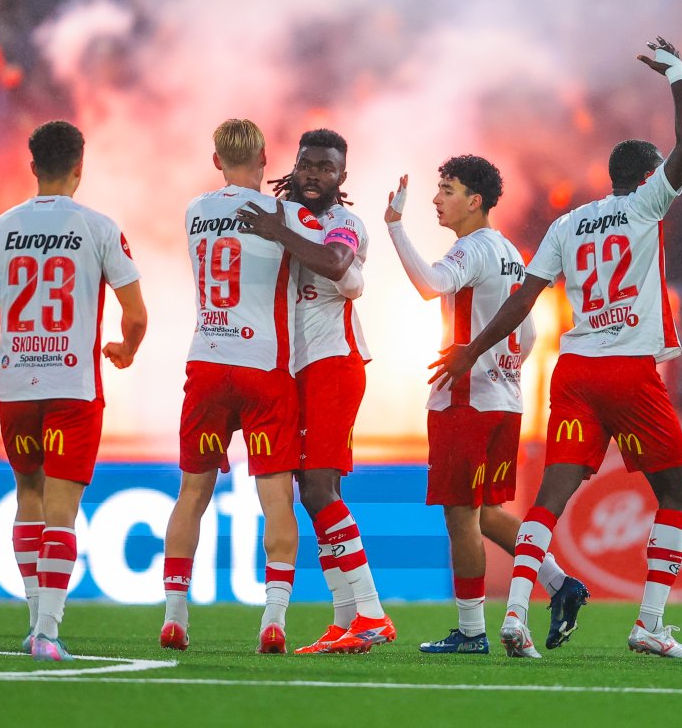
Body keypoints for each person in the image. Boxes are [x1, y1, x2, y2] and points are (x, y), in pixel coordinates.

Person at [430, 37, 682, 659]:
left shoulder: (566, 223)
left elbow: (524, 299)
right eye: (659, 171)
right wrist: (678, 76)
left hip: (574, 370)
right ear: (645, 176)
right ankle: (649, 624)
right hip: (628, 372)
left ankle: (517, 615)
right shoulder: (647, 203)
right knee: (676, 496)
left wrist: (472, 349)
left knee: (547, 501)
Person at [0, 120, 147, 662]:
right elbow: (135, 314)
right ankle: (47, 631)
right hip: (73, 385)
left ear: (33, 166)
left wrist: (4, 356)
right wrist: (126, 350)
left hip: (17, 386)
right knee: (62, 508)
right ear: (79, 168)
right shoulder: (99, 228)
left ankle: (34, 619)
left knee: (29, 496)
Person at [385, 157, 589, 656]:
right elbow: (530, 332)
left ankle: (471, 632)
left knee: (461, 516)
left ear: (474, 201)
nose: (437, 199)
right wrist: (502, 368)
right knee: (488, 514)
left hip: (465, 401)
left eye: (447, 190)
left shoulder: (471, 250)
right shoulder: (510, 253)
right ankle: (562, 583)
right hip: (505, 401)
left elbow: (429, 284)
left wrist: (394, 227)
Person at [160, 118, 320, 655]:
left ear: (216, 161)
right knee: (276, 497)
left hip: (206, 362)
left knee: (192, 493)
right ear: (264, 160)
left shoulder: (193, 211)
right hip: (264, 368)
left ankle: (175, 617)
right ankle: (273, 619)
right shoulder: (288, 215)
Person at [236, 128, 394, 655]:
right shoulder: (282, 215)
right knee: (318, 490)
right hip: (293, 368)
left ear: (341, 178)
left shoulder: (344, 223)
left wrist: (277, 232)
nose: (314, 175)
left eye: (326, 168)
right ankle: (344, 620)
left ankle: (371, 613)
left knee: (319, 489)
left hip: (333, 363)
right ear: (294, 165)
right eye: (307, 164)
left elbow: (335, 264)